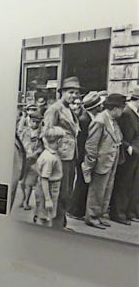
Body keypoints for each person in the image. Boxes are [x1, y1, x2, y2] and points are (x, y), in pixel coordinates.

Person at [43, 76, 82, 225]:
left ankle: (61, 222)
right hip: (60, 155)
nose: (74, 96)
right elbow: (46, 132)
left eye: (76, 93)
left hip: (70, 155)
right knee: (60, 192)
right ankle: (55, 224)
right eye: (70, 92)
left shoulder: (69, 109)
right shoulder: (55, 109)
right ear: (62, 92)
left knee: (67, 191)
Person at [83, 93, 125, 228]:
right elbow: (91, 145)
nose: (122, 111)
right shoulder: (100, 121)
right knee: (97, 191)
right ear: (115, 108)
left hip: (111, 161)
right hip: (101, 162)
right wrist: (89, 164)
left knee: (106, 190)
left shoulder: (112, 120)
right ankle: (92, 217)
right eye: (121, 108)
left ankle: (100, 215)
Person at [69, 91, 105, 220]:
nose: (102, 106)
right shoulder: (85, 120)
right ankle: (75, 210)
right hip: (82, 156)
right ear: (95, 107)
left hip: (83, 156)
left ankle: (77, 209)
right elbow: (82, 142)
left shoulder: (89, 118)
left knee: (83, 182)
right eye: (100, 104)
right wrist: (85, 159)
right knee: (81, 183)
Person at [111, 88, 139, 224]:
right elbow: (120, 134)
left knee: (130, 184)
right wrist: (128, 147)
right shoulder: (127, 113)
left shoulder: (133, 113)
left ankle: (128, 212)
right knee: (123, 183)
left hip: (133, 154)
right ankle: (118, 213)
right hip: (127, 154)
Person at [35, 127, 66, 227]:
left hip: (51, 188)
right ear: (59, 141)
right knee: (45, 216)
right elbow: (44, 179)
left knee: (47, 215)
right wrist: (48, 199)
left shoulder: (51, 154)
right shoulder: (49, 158)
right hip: (48, 190)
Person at [18, 111, 43, 210]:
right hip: (24, 160)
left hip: (34, 161)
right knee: (22, 183)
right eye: (33, 121)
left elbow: (42, 148)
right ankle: (23, 198)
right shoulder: (25, 132)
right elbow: (20, 144)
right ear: (29, 121)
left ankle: (26, 202)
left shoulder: (41, 134)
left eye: (38, 122)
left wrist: (35, 154)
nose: (35, 124)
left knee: (29, 183)